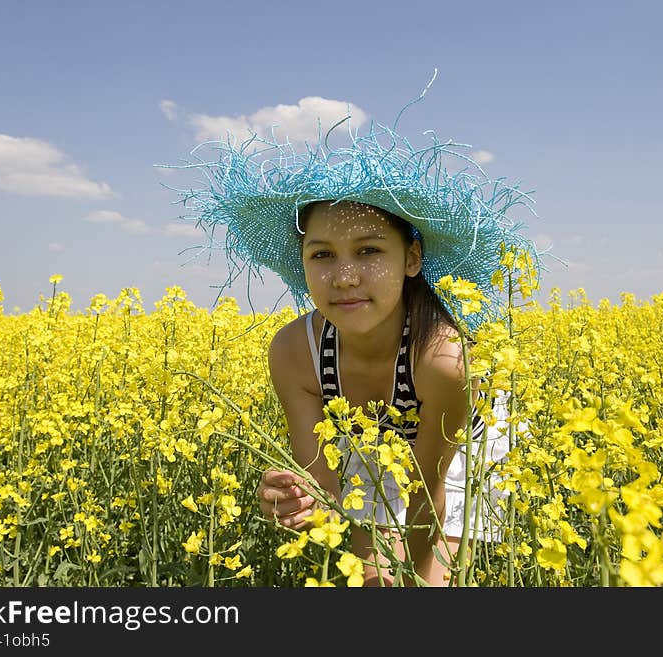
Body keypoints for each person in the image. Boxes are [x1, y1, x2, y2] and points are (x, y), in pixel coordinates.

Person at [162, 71, 540, 586]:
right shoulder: (295, 351)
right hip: (376, 446)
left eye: (369, 251)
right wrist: (297, 504)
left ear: (412, 259)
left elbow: (428, 492)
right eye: (322, 255)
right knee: (367, 580)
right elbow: (323, 499)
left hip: (455, 457)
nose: (343, 277)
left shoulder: (445, 359)